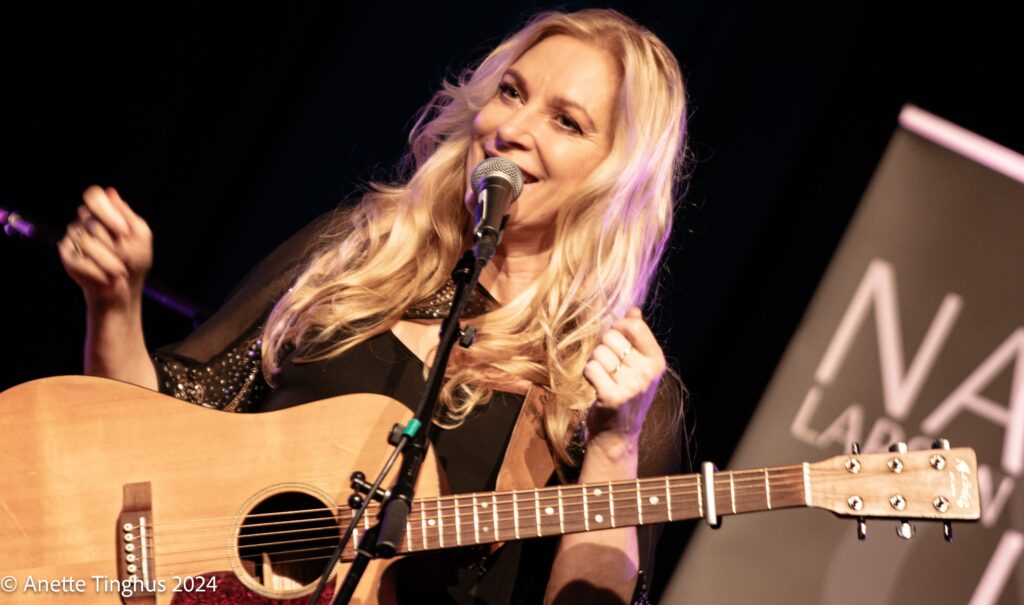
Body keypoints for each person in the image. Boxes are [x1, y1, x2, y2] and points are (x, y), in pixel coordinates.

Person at [59, 8, 687, 604]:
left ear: (619, 177)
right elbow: (148, 434)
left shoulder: (605, 385)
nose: (512, 130)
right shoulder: (360, 254)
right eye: (511, 92)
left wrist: (613, 446)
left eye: (566, 122)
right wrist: (114, 305)